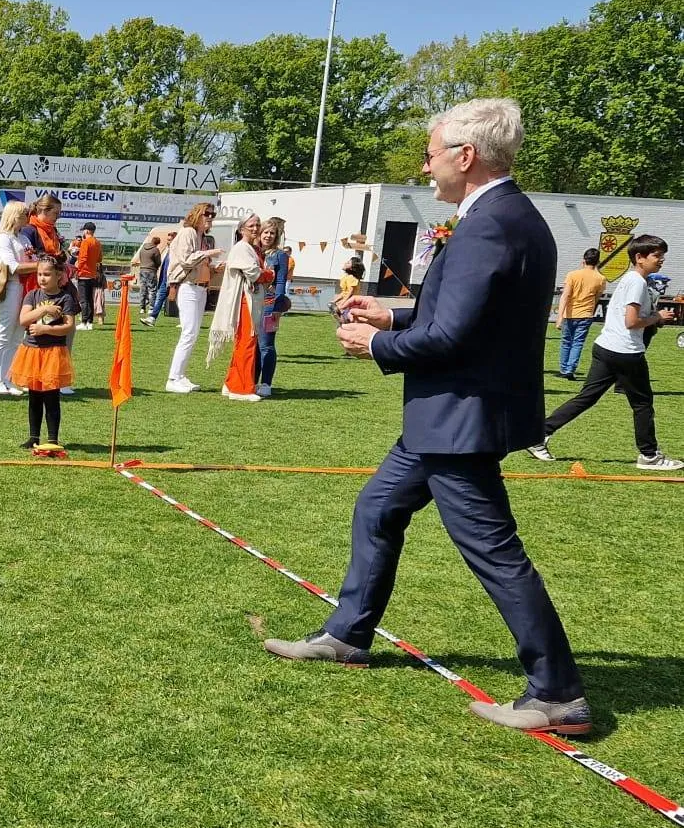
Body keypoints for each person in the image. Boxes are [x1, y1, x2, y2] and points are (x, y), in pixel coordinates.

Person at [266, 98, 590, 735]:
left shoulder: (490, 224)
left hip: (459, 418)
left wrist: (376, 345)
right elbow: (465, 317)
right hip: (452, 416)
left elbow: (454, 339)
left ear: (465, 157)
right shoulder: (508, 215)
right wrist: (391, 315)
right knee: (378, 507)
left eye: (431, 152)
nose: (425, 165)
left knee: (494, 551)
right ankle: (348, 635)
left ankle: (557, 693)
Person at [529, 235, 683, 471]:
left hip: (606, 347)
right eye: (656, 255)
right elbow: (631, 321)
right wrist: (657, 318)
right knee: (642, 404)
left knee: (587, 397)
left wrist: (654, 319)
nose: (661, 260)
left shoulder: (631, 279)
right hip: (625, 352)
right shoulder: (637, 283)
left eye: (662, 255)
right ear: (639, 258)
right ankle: (649, 456)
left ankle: (540, 435)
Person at [12, 258, 77, 449]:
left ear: (59, 276)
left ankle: (52, 439)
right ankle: (33, 437)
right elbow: (23, 319)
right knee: (34, 396)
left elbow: (68, 326)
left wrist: (45, 330)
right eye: (39, 274)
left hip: (53, 353)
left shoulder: (65, 298)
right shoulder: (32, 295)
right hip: (32, 351)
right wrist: (44, 310)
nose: (42, 278)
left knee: (51, 396)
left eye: (47, 274)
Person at [163, 203, 227, 393]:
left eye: (212, 214)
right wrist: (208, 253)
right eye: (206, 214)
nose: (209, 217)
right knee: (189, 332)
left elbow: (199, 264)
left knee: (193, 333)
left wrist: (215, 269)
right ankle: (173, 378)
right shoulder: (188, 232)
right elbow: (186, 259)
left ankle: (180, 375)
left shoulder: (203, 238)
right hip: (187, 286)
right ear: (196, 215)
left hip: (200, 287)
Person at [206, 214, 268, 402]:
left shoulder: (250, 248)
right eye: (251, 225)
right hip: (244, 300)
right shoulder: (242, 248)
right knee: (246, 342)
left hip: (250, 298)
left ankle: (232, 382)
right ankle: (240, 388)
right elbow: (254, 273)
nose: (256, 228)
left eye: (258, 225)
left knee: (246, 342)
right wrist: (269, 274)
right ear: (242, 229)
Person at [0, 201, 35, 396]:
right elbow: (11, 266)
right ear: (15, 216)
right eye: (24, 214)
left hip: (26, 287)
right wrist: (39, 266)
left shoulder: (23, 238)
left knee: (17, 335)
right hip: (11, 286)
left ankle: (7, 377)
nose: (28, 216)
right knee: (4, 333)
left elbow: (31, 260)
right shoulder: (4, 238)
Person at [554, 247, 606, 380]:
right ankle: (570, 369)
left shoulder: (573, 275)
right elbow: (596, 298)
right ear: (597, 262)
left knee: (566, 341)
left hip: (570, 313)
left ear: (584, 260)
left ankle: (564, 368)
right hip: (586, 313)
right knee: (578, 343)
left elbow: (565, 296)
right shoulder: (600, 278)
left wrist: (559, 317)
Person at [257, 217, 291, 397]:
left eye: (272, 233)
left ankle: (266, 383)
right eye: (265, 232)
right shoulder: (255, 253)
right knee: (253, 345)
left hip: (270, 305)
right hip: (253, 303)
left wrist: (278, 307)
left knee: (266, 345)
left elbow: (280, 281)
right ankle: (252, 381)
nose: (268, 236)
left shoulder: (280, 256)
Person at [72, 222, 103, 330]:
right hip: (93, 274)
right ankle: (89, 322)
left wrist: (77, 270)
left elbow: (83, 259)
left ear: (87, 231)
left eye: (84, 230)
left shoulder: (85, 242)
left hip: (84, 274)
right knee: (90, 299)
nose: (83, 232)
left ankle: (84, 322)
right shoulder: (97, 242)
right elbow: (99, 259)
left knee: (83, 299)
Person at [132, 235, 163, 326]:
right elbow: (158, 262)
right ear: (157, 243)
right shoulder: (155, 250)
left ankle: (142, 307)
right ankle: (151, 307)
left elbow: (140, 258)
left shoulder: (143, 248)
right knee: (152, 290)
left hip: (142, 270)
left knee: (143, 289)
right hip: (151, 271)